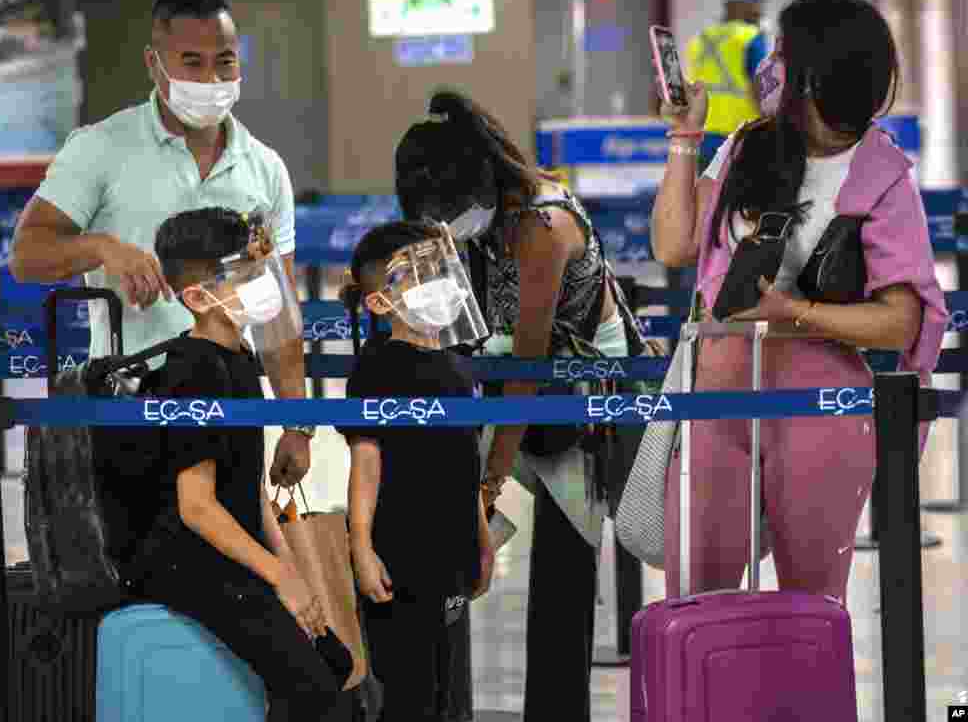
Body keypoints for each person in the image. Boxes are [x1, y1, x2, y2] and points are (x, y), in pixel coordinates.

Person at [651, 0, 948, 601]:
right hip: (716, 393)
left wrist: (793, 312)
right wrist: (686, 137)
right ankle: (705, 701)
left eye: (780, 52)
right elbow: (674, 247)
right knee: (693, 591)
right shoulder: (746, 145)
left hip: (821, 402)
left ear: (812, 72)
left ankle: (800, 702)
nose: (768, 66)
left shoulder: (882, 172)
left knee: (811, 599)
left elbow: (899, 322)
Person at [394, 91, 651, 721]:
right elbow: (453, 330)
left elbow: (530, 366)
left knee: (563, 572)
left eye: (448, 216)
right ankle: (440, 702)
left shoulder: (542, 226)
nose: (444, 231)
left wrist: (489, 480)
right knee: (439, 532)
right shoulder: (467, 218)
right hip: (512, 380)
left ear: (480, 190)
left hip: (587, 397)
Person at [8, 0, 313, 487]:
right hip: (130, 403)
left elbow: (277, 310)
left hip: (230, 400)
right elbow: (26, 256)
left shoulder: (266, 169)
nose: (211, 78)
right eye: (191, 62)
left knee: (234, 552)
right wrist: (101, 247)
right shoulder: (100, 148)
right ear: (154, 63)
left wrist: (298, 425)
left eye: (225, 62)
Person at [129, 206, 354, 721]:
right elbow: (197, 507)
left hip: (236, 555)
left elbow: (247, 485)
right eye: (243, 276)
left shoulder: (237, 359)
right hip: (191, 563)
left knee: (335, 663)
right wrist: (277, 576)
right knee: (316, 692)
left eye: (259, 272)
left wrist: (293, 571)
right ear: (196, 298)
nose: (260, 285)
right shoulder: (193, 372)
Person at [336, 220, 494, 722]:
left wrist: (482, 536)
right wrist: (361, 546)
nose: (437, 285)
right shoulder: (377, 367)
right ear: (380, 302)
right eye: (417, 276)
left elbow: (466, 461)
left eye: (438, 270)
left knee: (443, 689)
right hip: (399, 554)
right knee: (409, 696)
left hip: (451, 552)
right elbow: (366, 464)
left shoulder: (457, 366)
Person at [684, 0, 770, 173]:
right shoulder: (751, 37)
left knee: (708, 199)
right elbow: (760, 90)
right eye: (756, 3)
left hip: (703, 136)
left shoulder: (701, 38)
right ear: (742, 3)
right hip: (741, 138)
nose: (759, 11)